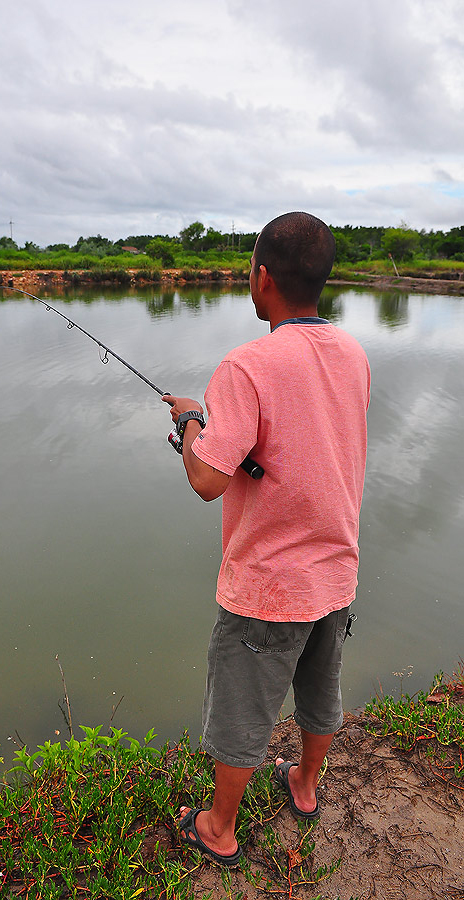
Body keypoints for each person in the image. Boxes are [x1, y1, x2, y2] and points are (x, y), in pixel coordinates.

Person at [163, 211, 370, 867]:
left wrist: (193, 424)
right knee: (319, 692)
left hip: (268, 584)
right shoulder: (354, 353)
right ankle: (303, 785)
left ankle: (218, 828)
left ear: (262, 279)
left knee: (241, 709)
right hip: (334, 571)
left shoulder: (245, 365)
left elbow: (206, 481)